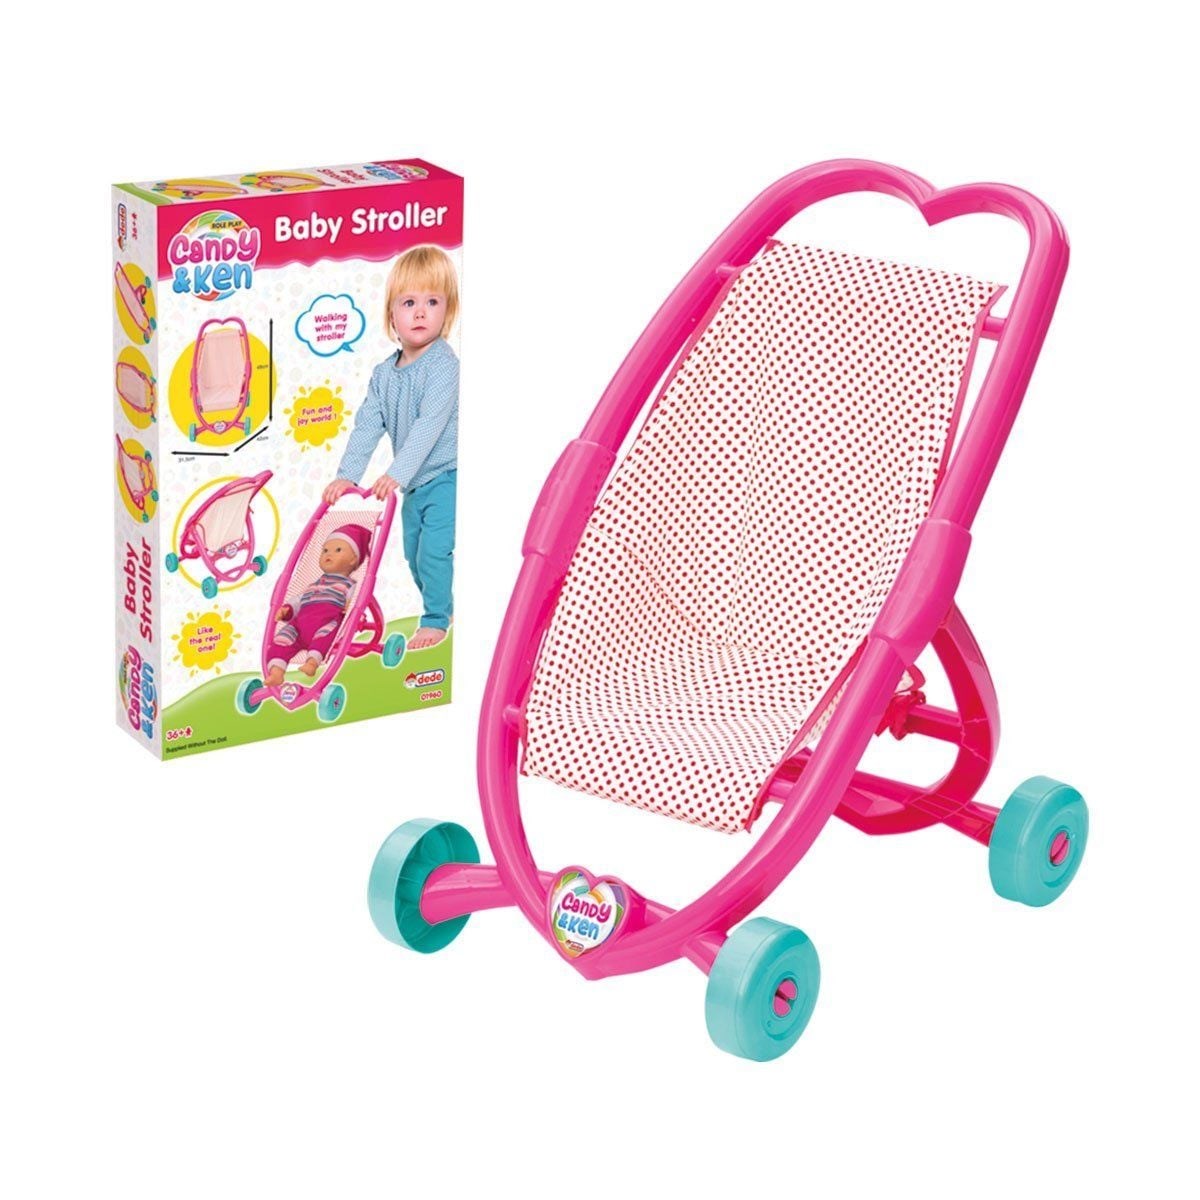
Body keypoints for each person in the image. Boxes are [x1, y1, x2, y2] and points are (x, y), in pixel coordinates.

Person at [324, 245, 458, 650]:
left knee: (433, 553)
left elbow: (429, 425)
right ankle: (443, 605)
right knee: (413, 555)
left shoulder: (445, 366)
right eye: (409, 302)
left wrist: (395, 473)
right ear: (391, 315)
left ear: (448, 311)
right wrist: (347, 476)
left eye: (432, 302)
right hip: (414, 485)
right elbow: (367, 425)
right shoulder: (384, 375)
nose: (420, 313)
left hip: (447, 477)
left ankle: (435, 619)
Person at [265, 525, 369, 686]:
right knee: (281, 639)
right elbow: (299, 600)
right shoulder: (314, 584)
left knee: (326, 635)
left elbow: (356, 601)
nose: (328, 554)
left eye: (338, 550)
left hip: (326, 622)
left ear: (353, 559)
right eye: (325, 550)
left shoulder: (350, 585)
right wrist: (287, 610)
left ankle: (312, 663)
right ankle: (276, 673)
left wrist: (350, 605)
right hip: (299, 625)